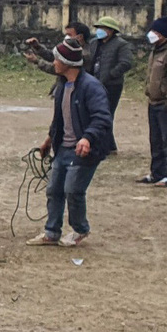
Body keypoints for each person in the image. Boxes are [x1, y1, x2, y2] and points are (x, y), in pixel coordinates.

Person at [26, 38, 112, 248]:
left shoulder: (92, 87)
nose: (53, 62)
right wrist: (49, 139)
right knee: (54, 190)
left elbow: (102, 118)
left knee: (73, 190)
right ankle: (51, 231)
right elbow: (60, 118)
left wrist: (87, 137)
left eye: (57, 58)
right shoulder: (62, 86)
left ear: (67, 62)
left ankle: (80, 229)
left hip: (84, 150)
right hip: (62, 147)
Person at [137, 16, 167, 188]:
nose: (151, 34)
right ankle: (157, 173)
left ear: (163, 34)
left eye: (155, 31)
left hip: (166, 103)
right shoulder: (156, 50)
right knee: (155, 139)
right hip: (153, 101)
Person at [88, 16, 133, 155]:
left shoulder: (121, 44)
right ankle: (107, 144)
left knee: (107, 114)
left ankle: (106, 146)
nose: (100, 31)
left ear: (111, 30)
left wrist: (111, 74)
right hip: (94, 83)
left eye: (103, 28)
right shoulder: (94, 43)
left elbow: (126, 63)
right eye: (99, 28)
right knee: (95, 113)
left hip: (112, 85)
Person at [26, 22, 91, 75]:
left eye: (69, 35)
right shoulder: (70, 49)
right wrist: (38, 47)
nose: (67, 37)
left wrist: (37, 61)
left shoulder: (84, 55)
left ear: (80, 37)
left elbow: (58, 68)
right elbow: (54, 56)